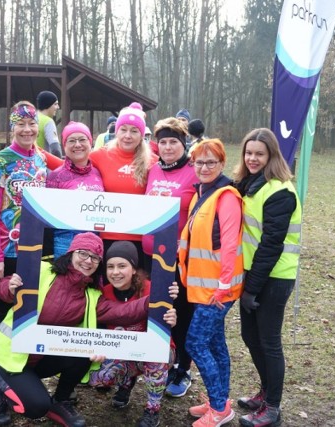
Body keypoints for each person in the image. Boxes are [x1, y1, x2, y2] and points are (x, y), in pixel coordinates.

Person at [0, 232, 176, 427]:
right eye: (83, 253)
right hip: (8, 356)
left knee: (83, 348)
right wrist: (9, 286)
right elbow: (3, 290)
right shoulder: (42, 270)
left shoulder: (91, 295)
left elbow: (122, 312)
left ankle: (61, 400)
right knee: (36, 408)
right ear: (71, 253)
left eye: (94, 257)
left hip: (40, 359)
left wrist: (158, 298)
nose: (88, 261)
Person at [233, 128, 302, 427]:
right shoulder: (251, 184)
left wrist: (252, 288)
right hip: (254, 274)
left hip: (274, 277)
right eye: (249, 153)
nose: (252, 158)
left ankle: (272, 407)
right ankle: (265, 391)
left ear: (271, 155)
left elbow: (271, 244)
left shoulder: (280, 191)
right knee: (250, 336)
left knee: (269, 341)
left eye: (259, 154)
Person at [178, 138, 244, 427]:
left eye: (211, 162)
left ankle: (219, 409)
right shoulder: (201, 193)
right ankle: (220, 400)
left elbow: (230, 245)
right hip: (203, 287)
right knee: (216, 344)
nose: (204, 167)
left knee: (195, 343)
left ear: (222, 163)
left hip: (217, 291)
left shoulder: (226, 196)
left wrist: (223, 286)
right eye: (199, 162)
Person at [88, 241, 177, 427]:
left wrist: (172, 317)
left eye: (122, 266)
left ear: (134, 269)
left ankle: (153, 409)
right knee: (100, 379)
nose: (115, 272)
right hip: (122, 350)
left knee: (156, 360)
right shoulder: (102, 293)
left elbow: (168, 320)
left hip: (154, 351)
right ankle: (126, 383)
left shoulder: (153, 289)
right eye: (110, 266)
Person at [142, 117, 199, 398]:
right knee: (156, 312)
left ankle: (182, 369)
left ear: (183, 144)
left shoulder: (194, 171)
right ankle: (160, 362)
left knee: (181, 314)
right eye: (162, 141)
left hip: (180, 259)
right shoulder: (153, 170)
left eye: (173, 142)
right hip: (150, 255)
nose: (167, 147)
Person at [0, 101, 48, 343]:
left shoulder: (41, 158)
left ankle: (19, 366)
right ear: (12, 128)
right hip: (6, 249)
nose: (27, 129)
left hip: (35, 249)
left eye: (32, 123)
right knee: (2, 309)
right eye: (20, 124)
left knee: (29, 308)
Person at [89, 102, 158, 270]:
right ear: (116, 131)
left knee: (136, 289)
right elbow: (68, 167)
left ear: (142, 135)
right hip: (106, 235)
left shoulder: (153, 162)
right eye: (123, 129)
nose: (128, 135)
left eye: (134, 131)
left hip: (139, 238)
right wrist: (38, 152)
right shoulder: (100, 155)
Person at [46, 121, 104, 257]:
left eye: (82, 139)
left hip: (93, 245)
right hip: (65, 246)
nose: (77, 145)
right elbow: (47, 217)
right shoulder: (55, 176)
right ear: (64, 145)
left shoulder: (98, 173)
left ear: (90, 143)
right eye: (71, 140)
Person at [36, 90, 63, 158]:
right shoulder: (48, 121)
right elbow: (55, 149)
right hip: (42, 164)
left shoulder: (30, 118)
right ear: (48, 104)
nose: (58, 107)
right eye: (55, 104)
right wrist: (60, 165)